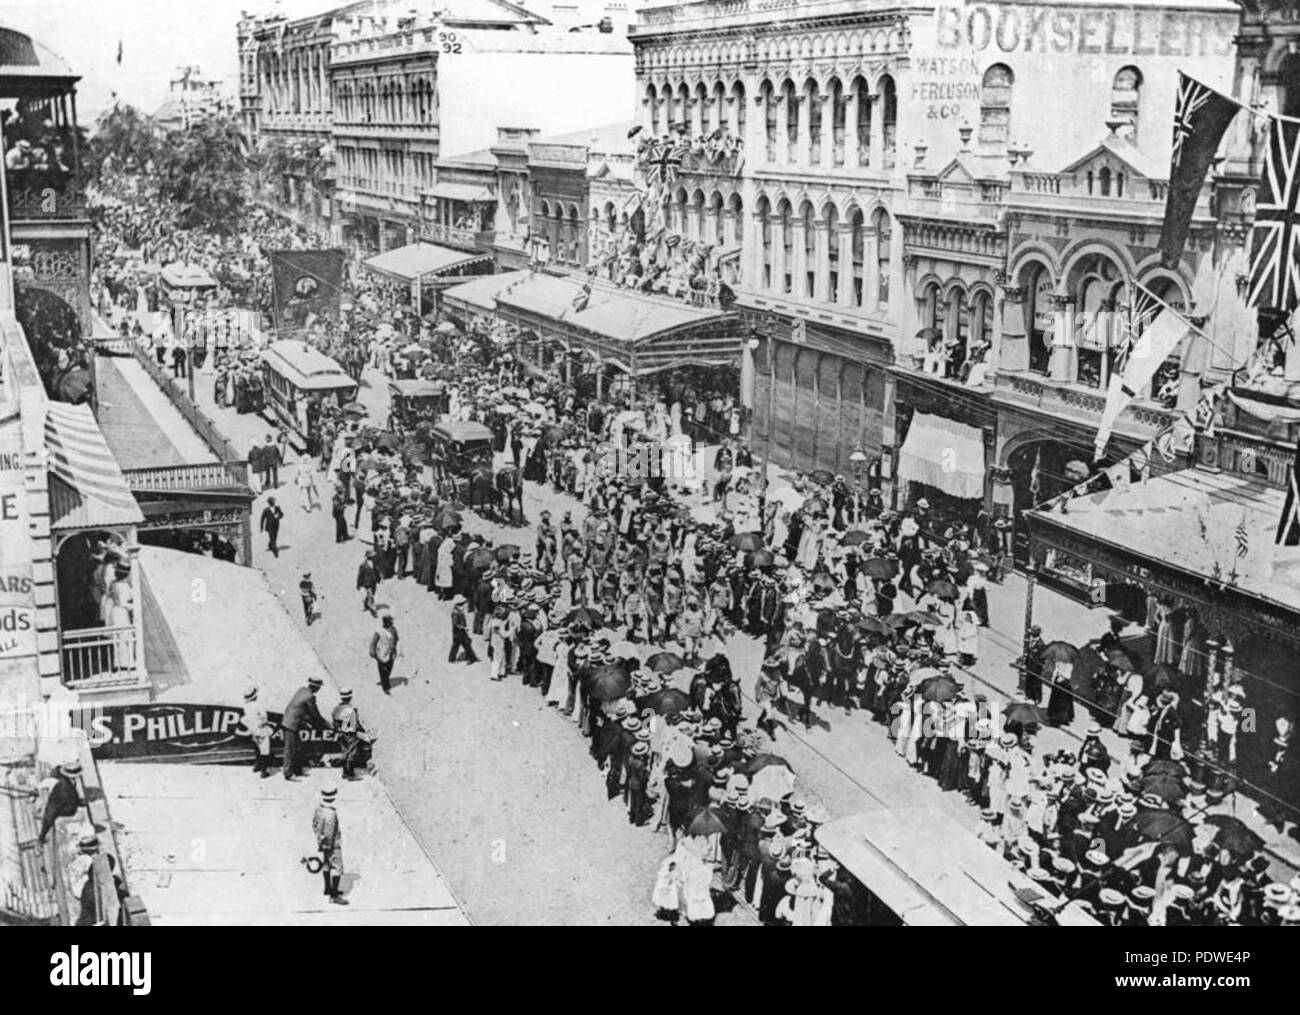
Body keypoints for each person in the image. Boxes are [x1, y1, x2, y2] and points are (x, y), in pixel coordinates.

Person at [282, 676, 326, 780]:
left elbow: (301, 708)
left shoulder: (302, 690)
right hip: (291, 724)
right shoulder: (310, 696)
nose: (319, 690)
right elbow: (314, 713)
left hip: (290, 722)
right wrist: (321, 724)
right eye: (319, 687)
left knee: (298, 748)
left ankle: (297, 770)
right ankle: (288, 774)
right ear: (316, 687)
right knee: (290, 749)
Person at [313, 786, 347, 905]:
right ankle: (334, 896)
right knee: (337, 867)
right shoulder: (331, 813)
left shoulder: (319, 808)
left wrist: (320, 839)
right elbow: (330, 831)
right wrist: (330, 845)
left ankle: (327, 888)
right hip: (332, 844)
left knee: (326, 864)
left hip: (322, 842)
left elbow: (315, 824)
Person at [37, 761, 84, 845]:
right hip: (65, 810)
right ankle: (40, 838)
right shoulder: (63, 788)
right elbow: (52, 809)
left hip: (68, 804)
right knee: (49, 816)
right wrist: (42, 836)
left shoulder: (69, 782)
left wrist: (78, 801)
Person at [332, 688, 366, 781]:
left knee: (344, 752)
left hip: (339, 733)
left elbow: (334, 722)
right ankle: (350, 774)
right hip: (349, 734)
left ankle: (344, 773)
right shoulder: (350, 709)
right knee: (352, 753)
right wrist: (362, 731)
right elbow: (354, 724)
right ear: (350, 697)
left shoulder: (337, 708)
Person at [243, 686, 274, 777]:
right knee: (265, 750)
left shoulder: (246, 706)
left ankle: (257, 766)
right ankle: (263, 771)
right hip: (261, 729)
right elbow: (264, 718)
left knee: (257, 747)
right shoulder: (258, 705)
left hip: (253, 729)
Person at [369, 611, 399, 694]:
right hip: (381, 654)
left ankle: (385, 681)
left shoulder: (393, 629)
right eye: (389, 621)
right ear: (385, 621)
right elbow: (373, 642)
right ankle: (385, 687)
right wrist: (372, 652)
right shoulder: (379, 631)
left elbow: (396, 639)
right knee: (383, 671)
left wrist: (395, 648)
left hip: (391, 653)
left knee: (389, 668)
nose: (391, 622)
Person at [449, 594, 479, 663]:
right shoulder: (455, 613)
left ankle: (453, 658)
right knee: (464, 644)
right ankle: (471, 658)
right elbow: (456, 624)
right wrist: (464, 628)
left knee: (461, 644)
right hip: (458, 632)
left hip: (459, 632)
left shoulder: (458, 611)